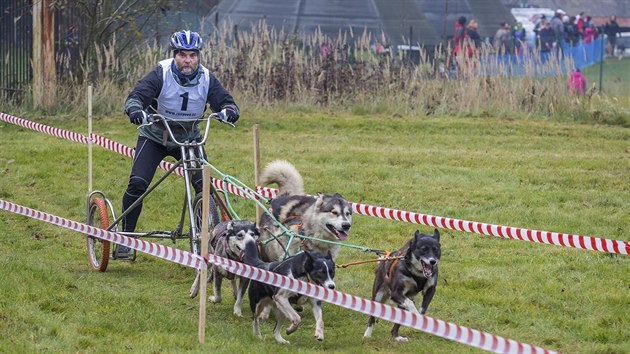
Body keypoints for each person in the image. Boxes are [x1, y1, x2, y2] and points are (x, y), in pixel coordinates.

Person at [116, 30, 240, 259]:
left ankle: (212, 244)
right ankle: (125, 239)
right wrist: (134, 109)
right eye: (183, 55)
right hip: (156, 136)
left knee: (205, 187)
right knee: (138, 183)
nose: (188, 60)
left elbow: (227, 102)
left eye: (192, 55)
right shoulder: (160, 73)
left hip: (190, 138)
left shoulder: (206, 77)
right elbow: (136, 96)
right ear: (174, 55)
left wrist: (229, 112)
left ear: (198, 56)